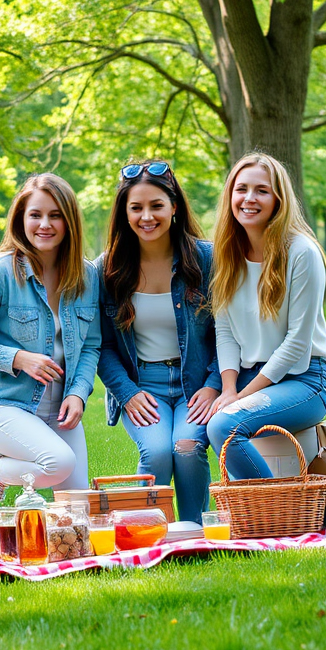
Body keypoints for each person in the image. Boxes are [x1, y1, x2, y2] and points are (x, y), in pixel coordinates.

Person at [0, 174, 101, 498]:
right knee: (58, 463)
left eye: (55, 215)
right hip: (3, 404)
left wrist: (78, 393)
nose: (44, 224)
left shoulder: (88, 276)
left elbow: (91, 344)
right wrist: (18, 358)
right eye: (35, 214)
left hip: (60, 409)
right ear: (21, 219)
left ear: (69, 221)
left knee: (78, 514)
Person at [95, 161, 221, 524]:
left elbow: (226, 332)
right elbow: (101, 345)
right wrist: (126, 392)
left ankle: (195, 531)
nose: (146, 216)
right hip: (141, 385)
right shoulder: (108, 269)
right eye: (136, 207)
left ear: (174, 207)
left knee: (186, 447)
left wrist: (214, 386)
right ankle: (148, 535)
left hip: (195, 383)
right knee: (156, 452)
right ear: (124, 212)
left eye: (156, 206)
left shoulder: (206, 259)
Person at [200, 152, 326, 480]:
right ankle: (211, 516)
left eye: (261, 190)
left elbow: (297, 343)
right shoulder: (226, 253)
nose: (249, 198)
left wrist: (240, 398)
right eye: (241, 189)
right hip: (249, 378)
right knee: (191, 433)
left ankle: (278, 509)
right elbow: (226, 330)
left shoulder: (302, 252)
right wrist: (228, 388)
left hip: (304, 380)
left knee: (224, 426)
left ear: (278, 199)